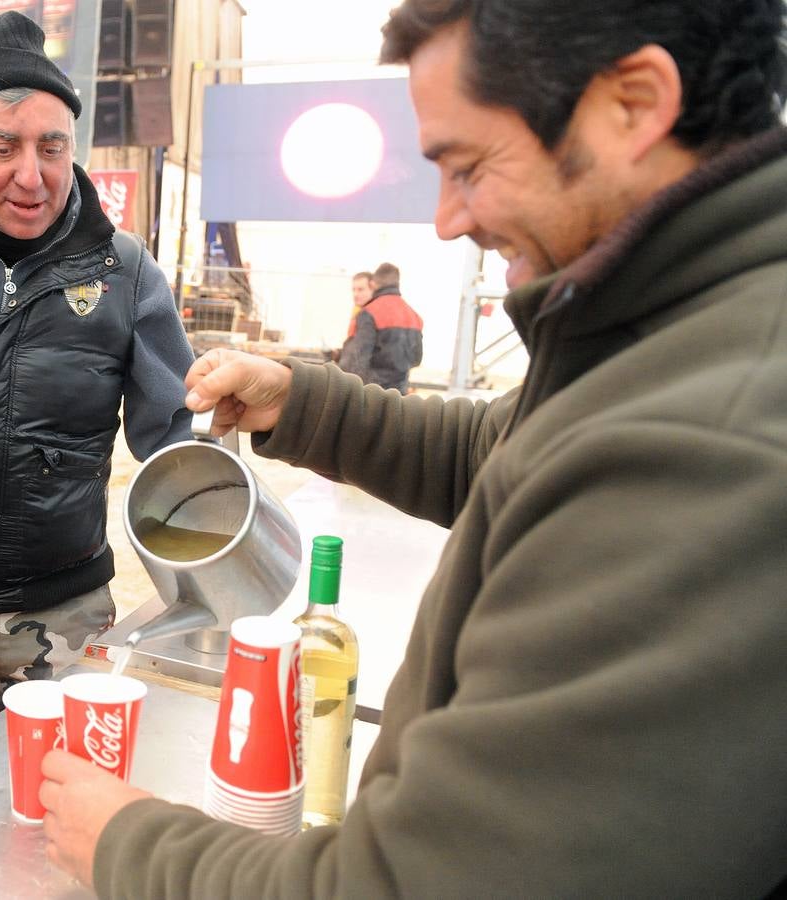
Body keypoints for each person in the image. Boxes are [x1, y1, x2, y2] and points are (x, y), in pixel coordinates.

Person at [38, 0, 787, 896]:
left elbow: (431, 881)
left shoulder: (712, 444)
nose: (445, 220)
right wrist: (304, 403)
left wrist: (128, 843)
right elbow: (503, 447)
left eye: (469, 165)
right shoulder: (681, 326)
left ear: (634, 103)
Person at [0, 11, 195, 752]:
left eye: (51, 147)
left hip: (63, 622)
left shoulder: (124, 270)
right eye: (4, 146)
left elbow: (177, 445)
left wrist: (210, 584)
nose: (33, 174)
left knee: (63, 822)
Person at [336, 261, 424, 392]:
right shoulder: (414, 315)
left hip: (372, 394)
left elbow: (356, 360)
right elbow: (416, 359)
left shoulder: (370, 312)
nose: (356, 294)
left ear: (374, 284)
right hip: (399, 394)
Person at [329, 270, 374, 364]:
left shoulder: (372, 314)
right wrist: (339, 354)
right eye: (354, 289)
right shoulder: (358, 311)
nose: (355, 294)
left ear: (373, 289)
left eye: (360, 289)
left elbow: (365, 352)